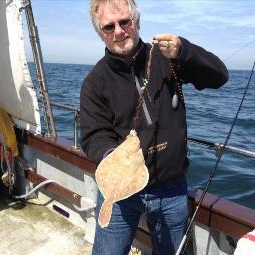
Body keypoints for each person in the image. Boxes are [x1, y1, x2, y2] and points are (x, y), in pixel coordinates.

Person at [80, 0, 228, 254]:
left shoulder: (168, 59)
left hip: (171, 187)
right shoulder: (95, 82)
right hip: (120, 194)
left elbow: (219, 76)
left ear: (136, 22)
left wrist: (185, 51)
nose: (118, 31)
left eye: (124, 22)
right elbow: (94, 135)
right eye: (108, 26)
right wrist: (113, 158)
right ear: (100, 33)